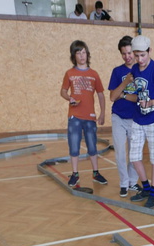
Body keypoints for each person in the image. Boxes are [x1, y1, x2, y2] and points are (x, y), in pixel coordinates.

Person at [124, 35, 154, 209]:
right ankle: (145, 187)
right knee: (134, 156)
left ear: (150, 51)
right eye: (136, 56)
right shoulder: (135, 69)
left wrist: (151, 102)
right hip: (138, 119)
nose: (140, 60)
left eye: (143, 55)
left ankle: (153, 192)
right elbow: (136, 92)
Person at [60, 40, 107, 187]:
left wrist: (102, 113)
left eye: (84, 52)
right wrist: (69, 98)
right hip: (74, 116)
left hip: (90, 117)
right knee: (74, 146)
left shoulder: (94, 74)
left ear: (87, 54)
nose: (82, 55)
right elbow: (63, 91)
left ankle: (96, 173)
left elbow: (100, 94)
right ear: (74, 56)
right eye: (78, 53)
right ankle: (75, 174)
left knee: (92, 146)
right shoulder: (69, 73)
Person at [108, 36, 141, 197]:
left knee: (134, 153)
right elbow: (112, 97)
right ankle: (123, 183)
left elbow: (139, 98)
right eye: (124, 53)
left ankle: (132, 182)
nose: (127, 56)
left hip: (136, 118)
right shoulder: (117, 71)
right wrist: (126, 82)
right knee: (120, 152)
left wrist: (124, 95)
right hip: (118, 117)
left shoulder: (141, 70)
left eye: (129, 53)